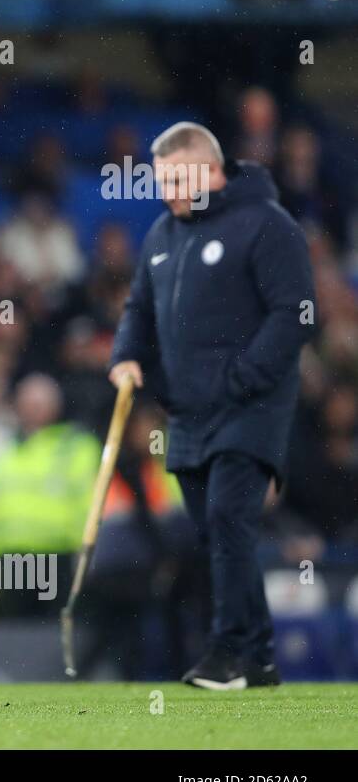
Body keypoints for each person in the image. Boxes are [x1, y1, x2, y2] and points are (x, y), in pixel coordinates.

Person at [109, 121, 315, 690]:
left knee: (228, 519)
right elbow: (137, 308)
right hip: (187, 412)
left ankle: (224, 652)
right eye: (160, 182)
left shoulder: (267, 225)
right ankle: (259, 656)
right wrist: (126, 355)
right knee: (215, 534)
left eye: (176, 178)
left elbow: (296, 312)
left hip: (252, 407)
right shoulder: (162, 234)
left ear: (210, 168)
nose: (167, 191)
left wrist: (245, 376)